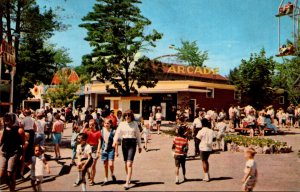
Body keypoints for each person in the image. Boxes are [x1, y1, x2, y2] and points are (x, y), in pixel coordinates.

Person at [113, 110, 142, 190]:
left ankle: (127, 182)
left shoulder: (135, 124)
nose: (127, 117)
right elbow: (117, 133)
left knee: (129, 163)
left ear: (131, 116)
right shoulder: (122, 124)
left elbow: (138, 135)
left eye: (128, 115)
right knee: (126, 163)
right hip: (124, 143)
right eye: (125, 116)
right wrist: (114, 142)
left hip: (132, 143)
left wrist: (140, 146)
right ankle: (128, 177)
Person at [0, 113, 25, 191]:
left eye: (8, 120)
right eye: (5, 120)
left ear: (13, 120)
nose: (6, 121)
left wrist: (22, 155)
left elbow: (24, 144)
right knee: (1, 174)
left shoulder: (19, 130)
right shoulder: (3, 130)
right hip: (3, 153)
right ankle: (9, 185)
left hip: (14, 153)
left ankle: (12, 189)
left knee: (10, 174)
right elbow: (0, 142)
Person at [84, 119, 102, 186]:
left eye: (92, 125)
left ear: (95, 125)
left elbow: (99, 141)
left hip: (94, 148)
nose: (90, 126)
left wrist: (98, 151)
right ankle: (88, 174)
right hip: (87, 148)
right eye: (89, 124)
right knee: (87, 165)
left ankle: (92, 180)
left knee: (93, 165)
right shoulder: (86, 131)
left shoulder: (98, 132)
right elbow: (82, 137)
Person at [101, 118, 117, 185]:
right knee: (105, 165)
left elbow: (116, 142)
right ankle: (106, 178)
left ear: (110, 124)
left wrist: (116, 151)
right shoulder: (102, 131)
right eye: (105, 123)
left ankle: (112, 174)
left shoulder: (113, 131)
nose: (106, 124)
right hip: (104, 149)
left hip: (111, 149)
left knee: (110, 164)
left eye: (108, 123)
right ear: (103, 124)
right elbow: (100, 140)